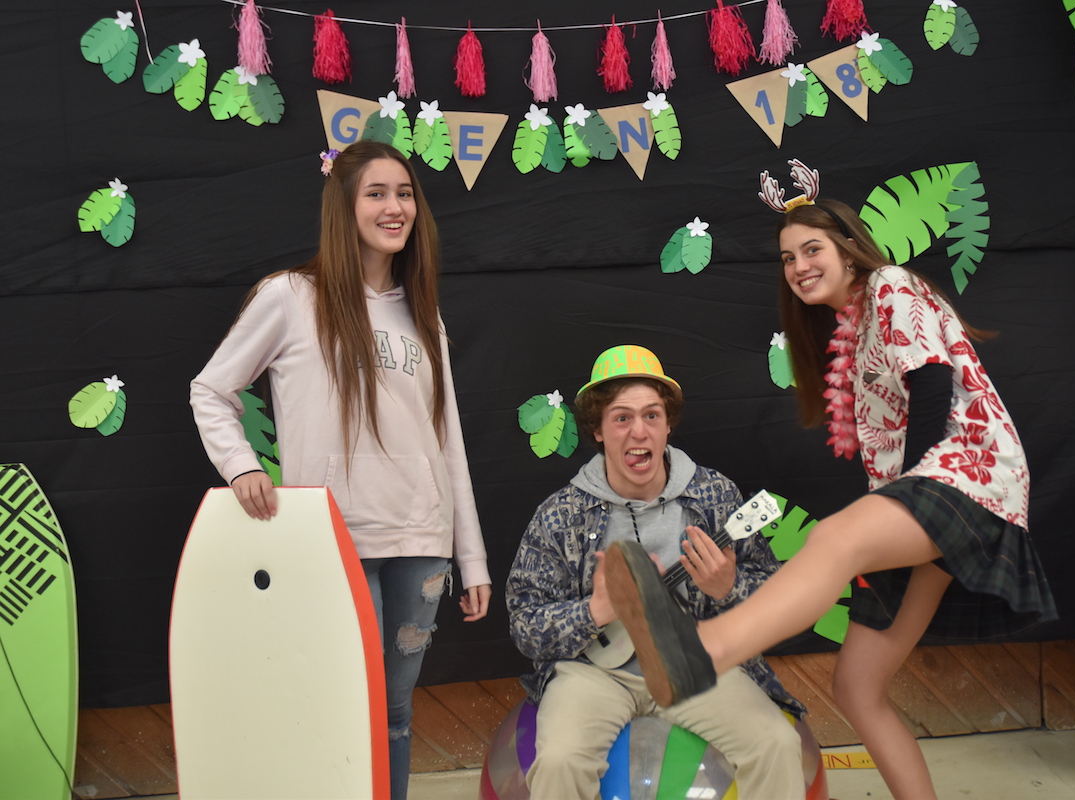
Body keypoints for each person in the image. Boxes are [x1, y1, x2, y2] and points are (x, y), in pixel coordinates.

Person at [604, 161, 1057, 800]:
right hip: (917, 490)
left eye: (811, 249)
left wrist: (903, 501)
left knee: (834, 539)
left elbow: (931, 382)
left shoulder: (891, 285)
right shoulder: (850, 330)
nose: (798, 266)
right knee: (857, 688)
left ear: (849, 249)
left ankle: (701, 653)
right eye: (788, 258)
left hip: (964, 478)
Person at [189, 139, 491, 800]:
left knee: (395, 713)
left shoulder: (424, 315)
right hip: (334, 539)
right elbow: (210, 390)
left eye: (404, 193)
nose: (395, 207)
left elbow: (449, 442)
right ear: (344, 206)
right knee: (344, 707)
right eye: (376, 193)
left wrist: (471, 559)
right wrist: (241, 466)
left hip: (421, 540)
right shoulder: (291, 297)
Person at [505, 344, 812, 800]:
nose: (639, 431)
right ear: (598, 430)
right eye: (621, 418)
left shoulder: (714, 496)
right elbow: (525, 626)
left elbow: (774, 596)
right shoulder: (560, 514)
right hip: (593, 673)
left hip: (694, 661)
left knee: (776, 743)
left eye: (652, 415)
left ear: (668, 425)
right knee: (559, 760)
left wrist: (728, 587)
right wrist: (596, 609)